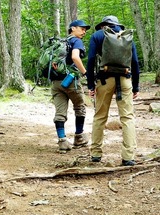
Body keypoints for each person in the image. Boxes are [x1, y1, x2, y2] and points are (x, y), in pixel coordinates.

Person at [86, 15, 140, 166]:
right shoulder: (126, 35)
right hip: (124, 79)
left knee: (100, 117)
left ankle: (96, 154)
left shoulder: (97, 35)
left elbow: (90, 60)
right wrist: (136, 86)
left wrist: (90, 84)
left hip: (104, 79)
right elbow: (134, 62)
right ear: (117, 24)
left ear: (103, 25)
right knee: (127, 117)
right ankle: (128, 156)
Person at [52, 19, 91, 153]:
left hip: (56, 83)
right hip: (70, 81)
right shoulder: (76, 41)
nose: (84, 32)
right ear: (73, 28)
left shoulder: (60, 43)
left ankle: (62, 141)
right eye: (82, 28)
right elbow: (75, 57)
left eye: (85, 30)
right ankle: (79, 137)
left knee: (60, 112)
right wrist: (85, 72)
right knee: (79, 107)